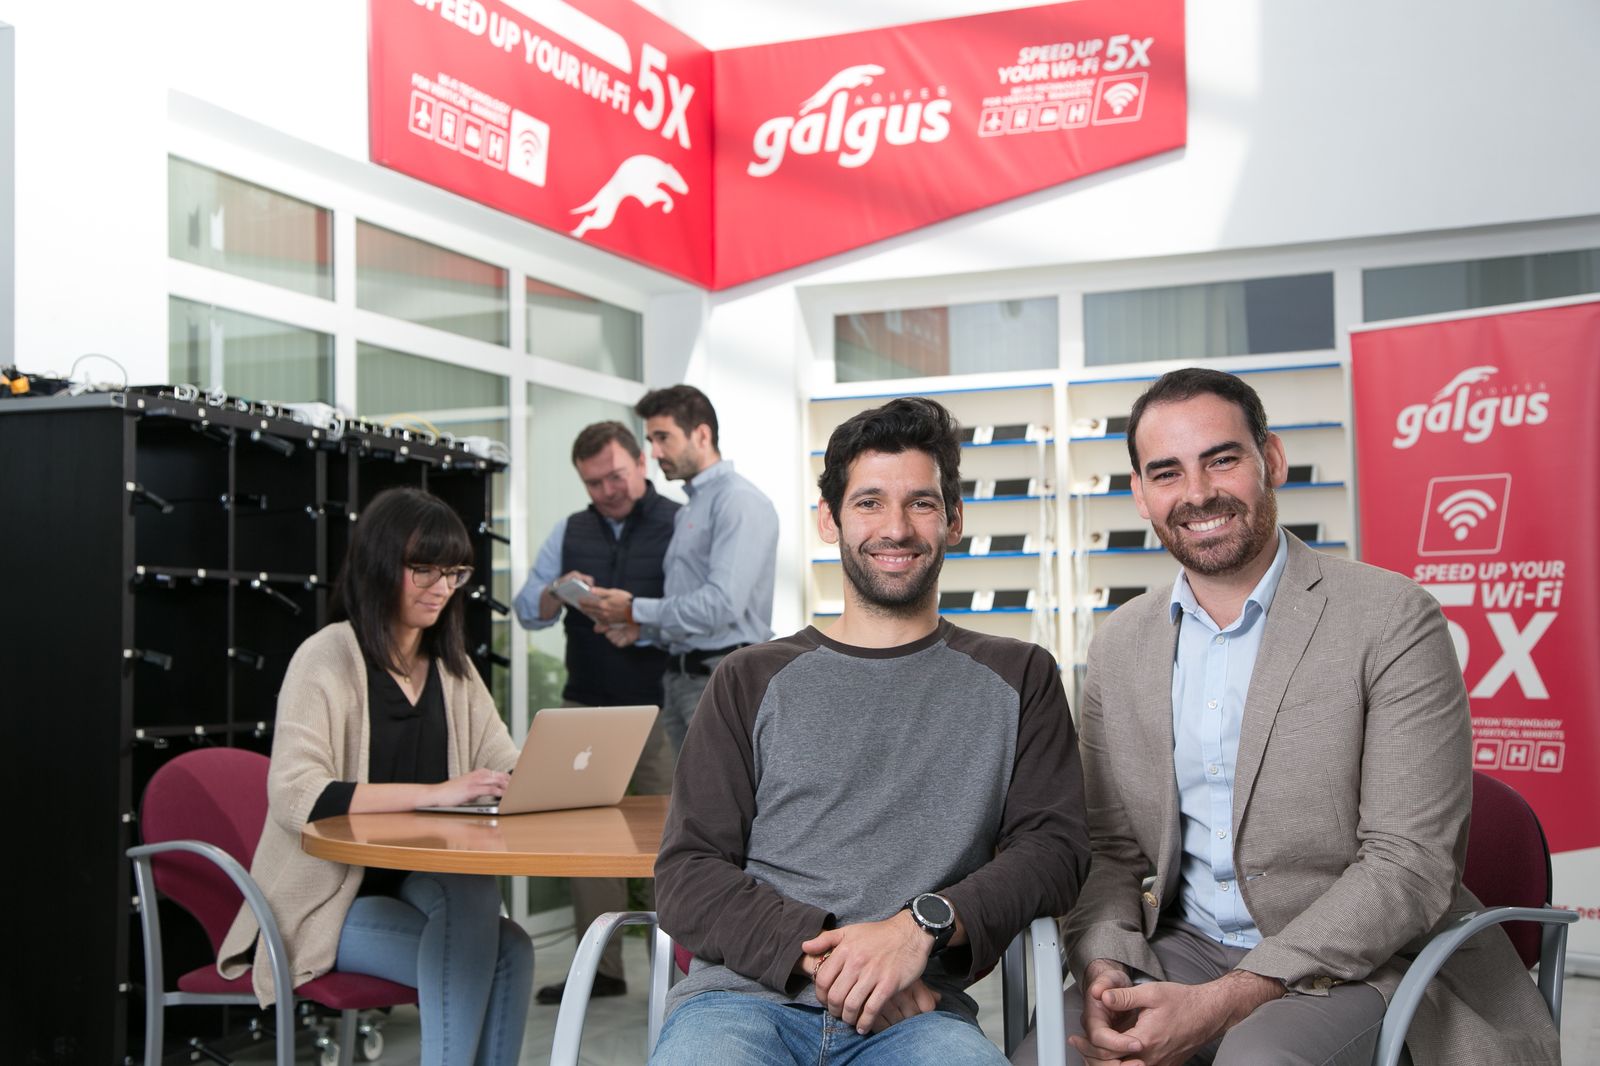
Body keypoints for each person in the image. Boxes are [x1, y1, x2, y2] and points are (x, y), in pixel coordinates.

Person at [1043, 368, 1560, 1066]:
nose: (1197, 493)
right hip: (1181, 947)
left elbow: (1408, 865)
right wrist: (1107, 964)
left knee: (1259, 1059)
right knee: (1050, 1055)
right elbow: (1111, 851)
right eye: (1167, 473)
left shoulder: (1392, 619)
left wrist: (1228, 998)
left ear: (1273, 460)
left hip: (1368, 961)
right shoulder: (1119, 645)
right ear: (1140, 494)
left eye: (1221, 460)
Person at [648, 396, 1090, 1065]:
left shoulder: (1020, 676)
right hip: (742, 1004)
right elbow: (688, 873)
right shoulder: (747, 678)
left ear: (954, 519)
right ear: (829, 520)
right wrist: (846, 966)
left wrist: (917, 931)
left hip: (918, 1019)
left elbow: (1055, 851)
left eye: (921, 503)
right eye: (869, 503)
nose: (896, 528)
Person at [218, 487, 534, 1066]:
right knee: (495, 953)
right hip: (330, 900)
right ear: (379, 564)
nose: (441, 588)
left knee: (498, 924)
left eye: (454, 573)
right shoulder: (326, 657)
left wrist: (532, 780)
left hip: (418, 882)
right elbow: (295, 794)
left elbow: (501, 757)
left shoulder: (454, 670)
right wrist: (436, 794)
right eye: (424, 570)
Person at [513, 420, 678, 1004]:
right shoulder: (569, 530)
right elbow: (526, 610)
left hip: (659, 707)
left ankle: (677, 974)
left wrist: (638, 621)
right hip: (585, 706)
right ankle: (600, 972)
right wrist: (557, 591)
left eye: (615, 476)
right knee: (585, 841)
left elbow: (698, 612)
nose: (607, 490)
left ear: (641, 462)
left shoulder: (679, 523)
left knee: (671, 841)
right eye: (593, 483)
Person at [583, 384, 779, 755]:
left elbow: (721, 605)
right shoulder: (692, 506)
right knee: (689, 792)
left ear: (701, 435)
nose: (655, 452)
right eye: (651, 440)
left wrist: (634, 609)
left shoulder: (739, 502)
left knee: (721, 791)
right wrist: (642, 629)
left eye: (663, 438)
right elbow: (696, 610)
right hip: (682, 680)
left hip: (720, 680)